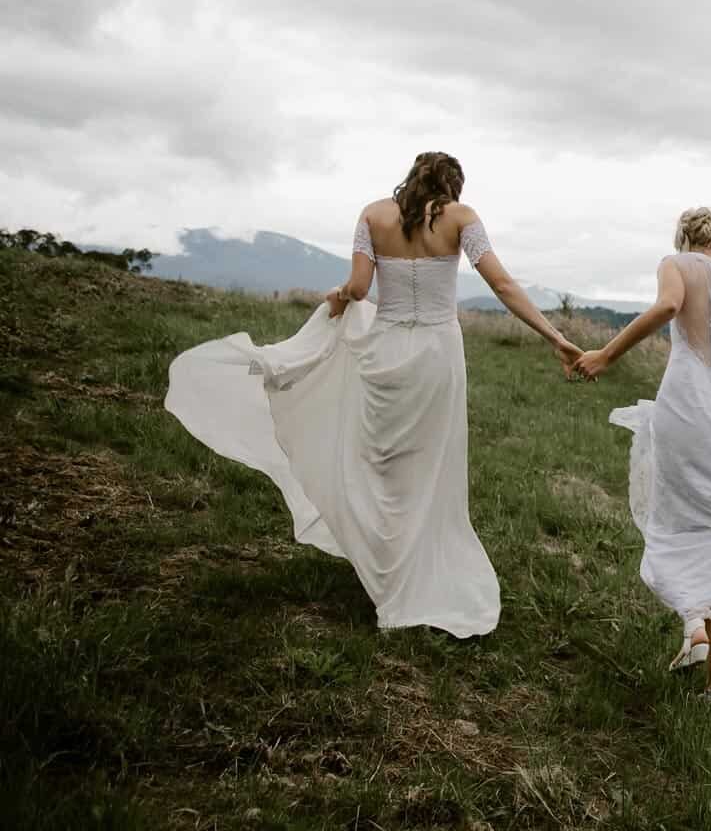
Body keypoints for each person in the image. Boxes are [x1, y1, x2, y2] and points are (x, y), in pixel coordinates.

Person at [165, 151, 583, 636]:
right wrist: (556, 337)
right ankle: (409, 574)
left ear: (410, 177)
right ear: (452, 187)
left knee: (380, 459)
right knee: (428, 464)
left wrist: (337, 297)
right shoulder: (461, 219)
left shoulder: (373, 214)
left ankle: (383, 567)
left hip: (384, 350)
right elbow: (504, 285)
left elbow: (360, 289)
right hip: (435, 356)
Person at [573, 207, 711, 702]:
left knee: (671, 518)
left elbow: (669, 307)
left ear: (684, 238)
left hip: (684, 407)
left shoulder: (675, 263)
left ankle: (693, 623)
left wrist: (606, 355)